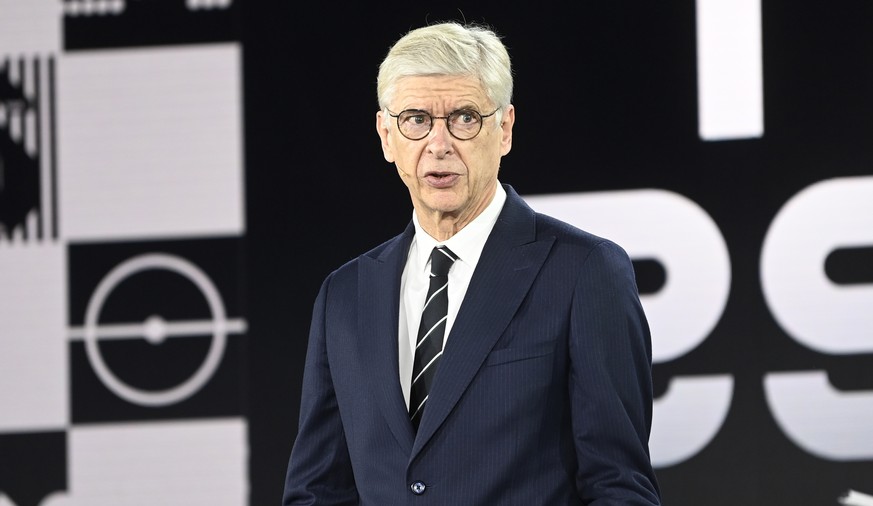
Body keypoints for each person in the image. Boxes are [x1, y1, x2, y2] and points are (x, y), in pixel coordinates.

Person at [283, 21, 661, 505]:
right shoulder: (345, 294)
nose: (438, 144)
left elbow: (618, 487)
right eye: (416, 119)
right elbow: (318, 491)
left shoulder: (584, 272)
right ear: (385, 135)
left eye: (464, 118)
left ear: (504, 129)